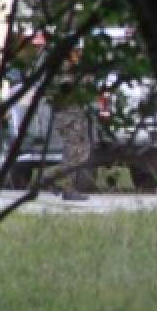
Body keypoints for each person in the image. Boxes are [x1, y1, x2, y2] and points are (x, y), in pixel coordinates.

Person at [51, 45, 91, 201]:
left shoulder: (75, 68)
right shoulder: (64, 69)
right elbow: (66, 87)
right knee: (73, 152)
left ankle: (52, 179)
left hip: (76, 115)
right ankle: (65, 187)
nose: (78, 55)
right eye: (75, 52)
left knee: (82, 152)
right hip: (68, 116)